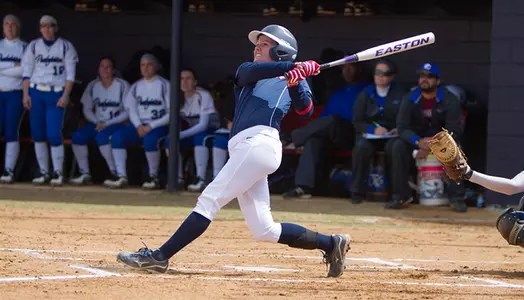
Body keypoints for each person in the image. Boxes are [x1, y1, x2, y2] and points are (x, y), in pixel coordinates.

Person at [116, 24, 351, 278]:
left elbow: (305, 110)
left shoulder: (294, 78)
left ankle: (159, 257)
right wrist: (292, 68)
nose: (256, 48)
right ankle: (331, 243)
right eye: (257, 44)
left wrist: (296, 80)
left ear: (282, 51)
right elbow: (249, 72)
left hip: (259, 144)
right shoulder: (249, 72)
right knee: (264, 230)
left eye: (263, 45)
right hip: (247, 148)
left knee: (209, 200)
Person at [387, 63, 467, 212]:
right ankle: (401, 195)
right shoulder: (410, 98)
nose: (424, 79)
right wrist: (417, 141)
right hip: (417, 140)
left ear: (437, 81)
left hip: (441, 141)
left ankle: (457, 198)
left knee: (456, 147)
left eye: (429, 76)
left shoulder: (450, 99)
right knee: (397, 146)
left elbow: (454, 129)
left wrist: (433, 143)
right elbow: (402, 127)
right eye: (421, 76)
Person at [282, 61, 368, 199]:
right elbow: (322, 122)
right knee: (314, 141)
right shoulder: (338, 93)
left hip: (353, 135)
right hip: (333, 136)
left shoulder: (366, 90)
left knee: (333, 120)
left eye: (350, 67)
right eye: (344, 67)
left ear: (359, 69)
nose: (347, 71)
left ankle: (291, 138)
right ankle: (303, 187)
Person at [22, 15, 79, 186]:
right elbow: (26, 73)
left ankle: (58, 173)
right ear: (40, 29)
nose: (47, 29)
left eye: (51, 25)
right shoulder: (33, 46)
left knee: (54, 134)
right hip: (36, 92)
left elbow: (71, 75)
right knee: (38, 134)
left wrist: (65, 95)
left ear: (56, 28)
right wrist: (26, 94)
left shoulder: (66, 46)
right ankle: (44, 172)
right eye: (44, 26)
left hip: (56, 93)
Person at [104, 53, 169, 189]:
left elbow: (171, 113)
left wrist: (151, 126)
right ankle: (121, 176)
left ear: (156, 67)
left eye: (149, 64)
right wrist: (139, 125)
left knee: (150, 140)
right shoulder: (136, 87)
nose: (145, 68)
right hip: (139, 125)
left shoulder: (165, 85)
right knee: (117, 136)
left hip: (158, 124)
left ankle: (153, 177)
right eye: (142, 65)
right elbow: (131, 110)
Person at [350, 59, 406, 204]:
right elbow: (357, 121)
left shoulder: (400, 93)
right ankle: (356, 192)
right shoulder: (366, 93)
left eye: (385, 73)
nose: (380, 76)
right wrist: (373, 129)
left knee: (395, 148)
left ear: (392, 76)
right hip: (371, 136)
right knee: (361, 147)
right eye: (377, 73)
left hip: (392, 136)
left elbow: (406, 117)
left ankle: (396, 194)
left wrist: (398, 129)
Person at [69, 57, 130, 184]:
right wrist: (97, 122)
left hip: (117, 123)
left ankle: (115, 173)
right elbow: (87, 109)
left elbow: (128, 112)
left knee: (102, 137)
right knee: (78, 136)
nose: (105, 69)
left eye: (108, 67)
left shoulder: (122, 85)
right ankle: (85, 173)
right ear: (98, 70)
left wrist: (107, 123)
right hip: (97, 123)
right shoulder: (93, 85)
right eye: (102, 66)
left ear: (113, 70)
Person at [163, 68, 222, 192]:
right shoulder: (176, 97)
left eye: (188, 78)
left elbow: (203, 125)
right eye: (181, 79)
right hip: (191, 132)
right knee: (170, 141)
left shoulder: (203, 95)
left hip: (211, 131)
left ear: (195, 82)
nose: (184, 82)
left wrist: (180, 135)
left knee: (199, 138)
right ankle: (177, 179)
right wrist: (177, 136)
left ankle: (200, 179)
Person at [0, 15, 26, 184]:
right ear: (3, 27)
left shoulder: (25, 47)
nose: (10, 27)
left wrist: (2, 69)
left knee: (11, 131)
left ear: (18, 27)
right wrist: (13, 66)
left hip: (15, 93)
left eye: (13, 24)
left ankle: (9, 170)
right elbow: (17, 68)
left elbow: (24, 71)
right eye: (7, 24)